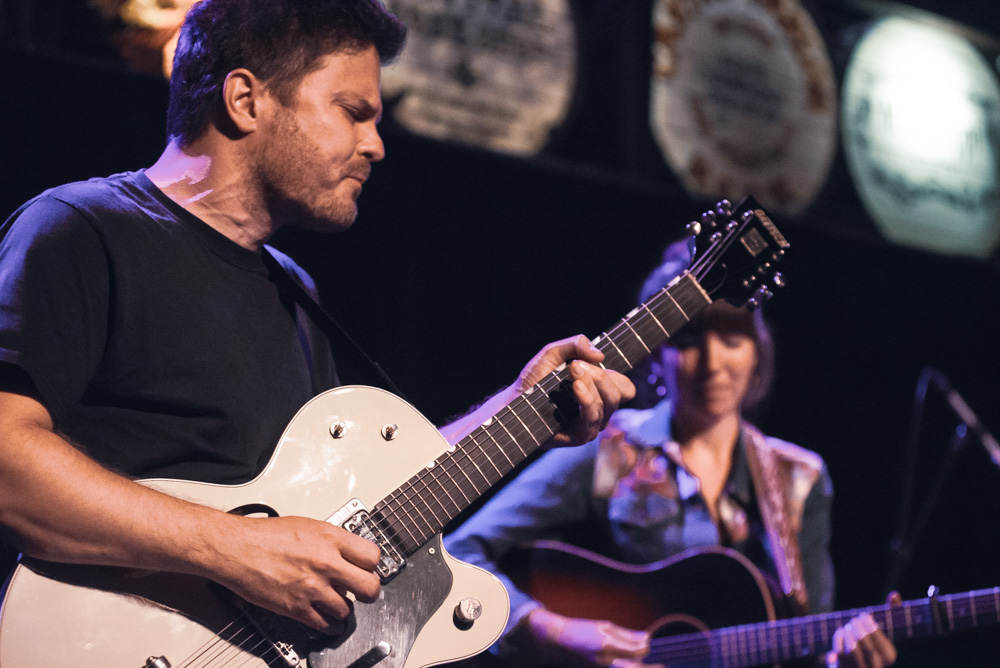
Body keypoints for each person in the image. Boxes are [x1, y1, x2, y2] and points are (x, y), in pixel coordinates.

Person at [0, 0, 634, 641]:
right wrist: (239, 549)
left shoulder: (294, 291)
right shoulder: (80, 230)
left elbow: (361, 510)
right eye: (352, 112)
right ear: (246, 100)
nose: (376, 146)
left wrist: (522, 409)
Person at [445, 239, 899, 668]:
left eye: (733, 339)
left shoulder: (800, 478)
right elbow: (462, 548)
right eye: (688, 339)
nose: (713, 362)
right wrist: (552, 631)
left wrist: (840, 656)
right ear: (656, 355)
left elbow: (808, 639)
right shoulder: (610, 449)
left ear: (758, 353)